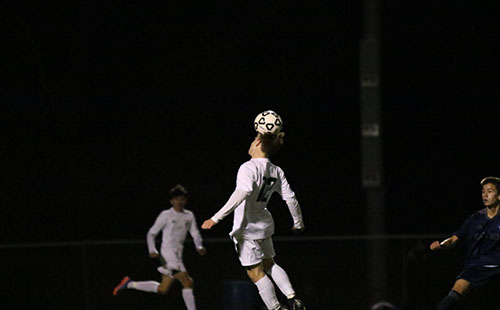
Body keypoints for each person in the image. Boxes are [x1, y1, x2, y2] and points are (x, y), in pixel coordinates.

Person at [201, 132, 306, 310]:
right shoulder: (276, 170)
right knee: (270, 263)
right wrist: (298, 223)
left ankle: (276, 308)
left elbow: (242, 192)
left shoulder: (247, 168)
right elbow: (291, 198)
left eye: (253, 140)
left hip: (246, 229)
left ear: (257, 142)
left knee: (255, 273)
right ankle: (292, 297)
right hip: (264, 225)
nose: (250, 143)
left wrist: (215, 218)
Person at [113, 184, 206, 310]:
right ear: (171, 201)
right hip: (167, 254)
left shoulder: (189, 215)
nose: (180, 201)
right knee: (188, 282)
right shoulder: (166, 215)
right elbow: (151, 233)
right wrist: (152, 249)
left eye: (182, 198)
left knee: (163, 289)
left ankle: (130, 284)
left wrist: (199, 246)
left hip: (178, 255)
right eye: (177, 199)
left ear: (186, 200)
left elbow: (195, 233)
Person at [429, 176, 500, 310]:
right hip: (475, 268)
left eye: (490, 191)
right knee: (451, 299)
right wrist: (442, 245)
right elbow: (454, 239)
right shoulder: (475, 218)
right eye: (483, 191)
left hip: (497, 269)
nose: (485, 195)